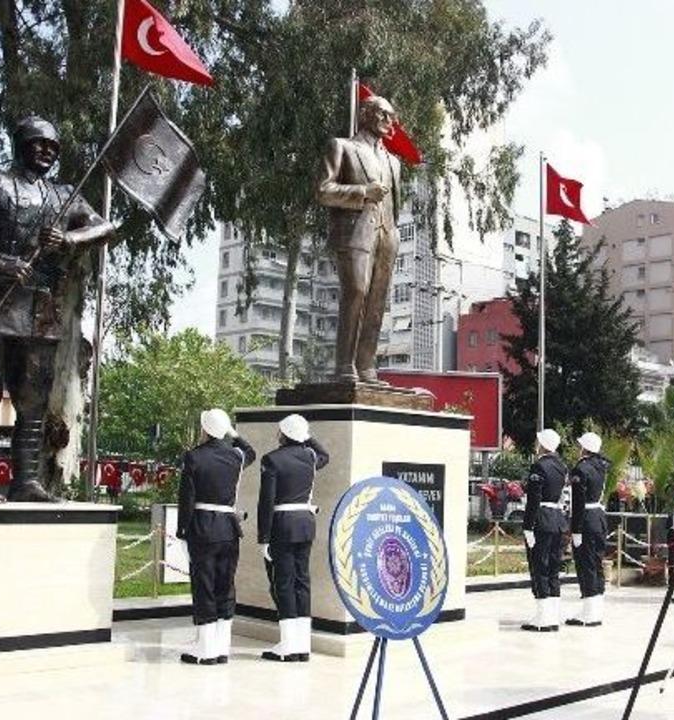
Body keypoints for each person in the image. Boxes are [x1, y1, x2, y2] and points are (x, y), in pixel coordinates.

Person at [0, 116, 114, 502]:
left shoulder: (63, 195)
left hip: (41, 309)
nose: (46, 151)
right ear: (20, 144)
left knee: (33, 399)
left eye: (53, 147)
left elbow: (105, 227)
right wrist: (0, 266)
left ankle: (26, 481)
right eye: (39, 143)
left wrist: (68, 240)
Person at [317, 95, 402, 383]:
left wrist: (393, 234)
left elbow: (395, 205)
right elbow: (323, 191)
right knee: (356, 292)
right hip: (354, 233)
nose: (389, 121)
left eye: (391, 116)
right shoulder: (342, 147)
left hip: (386, 236)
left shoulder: (394, 162)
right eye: (383, 114)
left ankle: (366, 366)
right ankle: (344, 365)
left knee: (377, 301)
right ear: (366, 114)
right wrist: (363, 192)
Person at [176, 408, 256, 665]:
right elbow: (251, 451)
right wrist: (233, 433)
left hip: (203, 528)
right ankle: (222, 648)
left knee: (204, 586)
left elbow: (187, 498)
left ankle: (206, 649)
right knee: (225, 586)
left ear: (205, 429)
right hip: (229, 529)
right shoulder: (236, 456)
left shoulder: (194, 456)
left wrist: (182, 530)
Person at [257, 414, 330, 662]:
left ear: (283, 434)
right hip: (305, 524)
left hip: (283, 526)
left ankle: (289, 645)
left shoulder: (272, 459)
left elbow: (266, 502)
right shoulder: (310, 457)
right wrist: (306, 436)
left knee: (284, 583)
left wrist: (263, 537)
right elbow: (325, 455)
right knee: (302, 582)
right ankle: (302, 645)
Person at [521, 429, 570, 632]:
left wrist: (527, 526)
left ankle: (543, 617)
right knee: (553, 568)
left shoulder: (539, 466)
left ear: (542, 444)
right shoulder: (562, 466)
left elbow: (534, 499)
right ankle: (553, 615)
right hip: (557, 520)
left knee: (539, 566)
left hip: (541, 520)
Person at [566, 432, 610, 627]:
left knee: (586, 565)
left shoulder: (581, 469)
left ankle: (590, 612)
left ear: (585, 448)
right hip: (598, 518)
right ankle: (594, 608)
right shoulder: (601, 466)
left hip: (585, 520)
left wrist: (575, 529)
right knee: (596, 563)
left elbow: (578, 502)